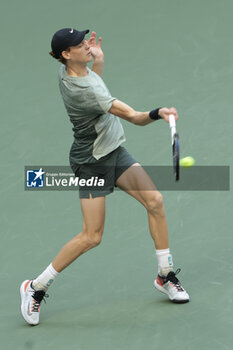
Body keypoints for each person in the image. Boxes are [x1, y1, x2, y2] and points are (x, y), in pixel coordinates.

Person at [20, 28, 189, 326]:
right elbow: (135, 117)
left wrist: (96, 62)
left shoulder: (67, 71)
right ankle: (35, 287)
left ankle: (165, 274)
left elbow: (94, 83)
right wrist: (159, 112)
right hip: (91, 164)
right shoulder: (85, 92)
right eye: (79, 45)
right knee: (91, 236)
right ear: (65, 54)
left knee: (155, 201)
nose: (86, 45)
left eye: (85, 40)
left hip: (114, 153)